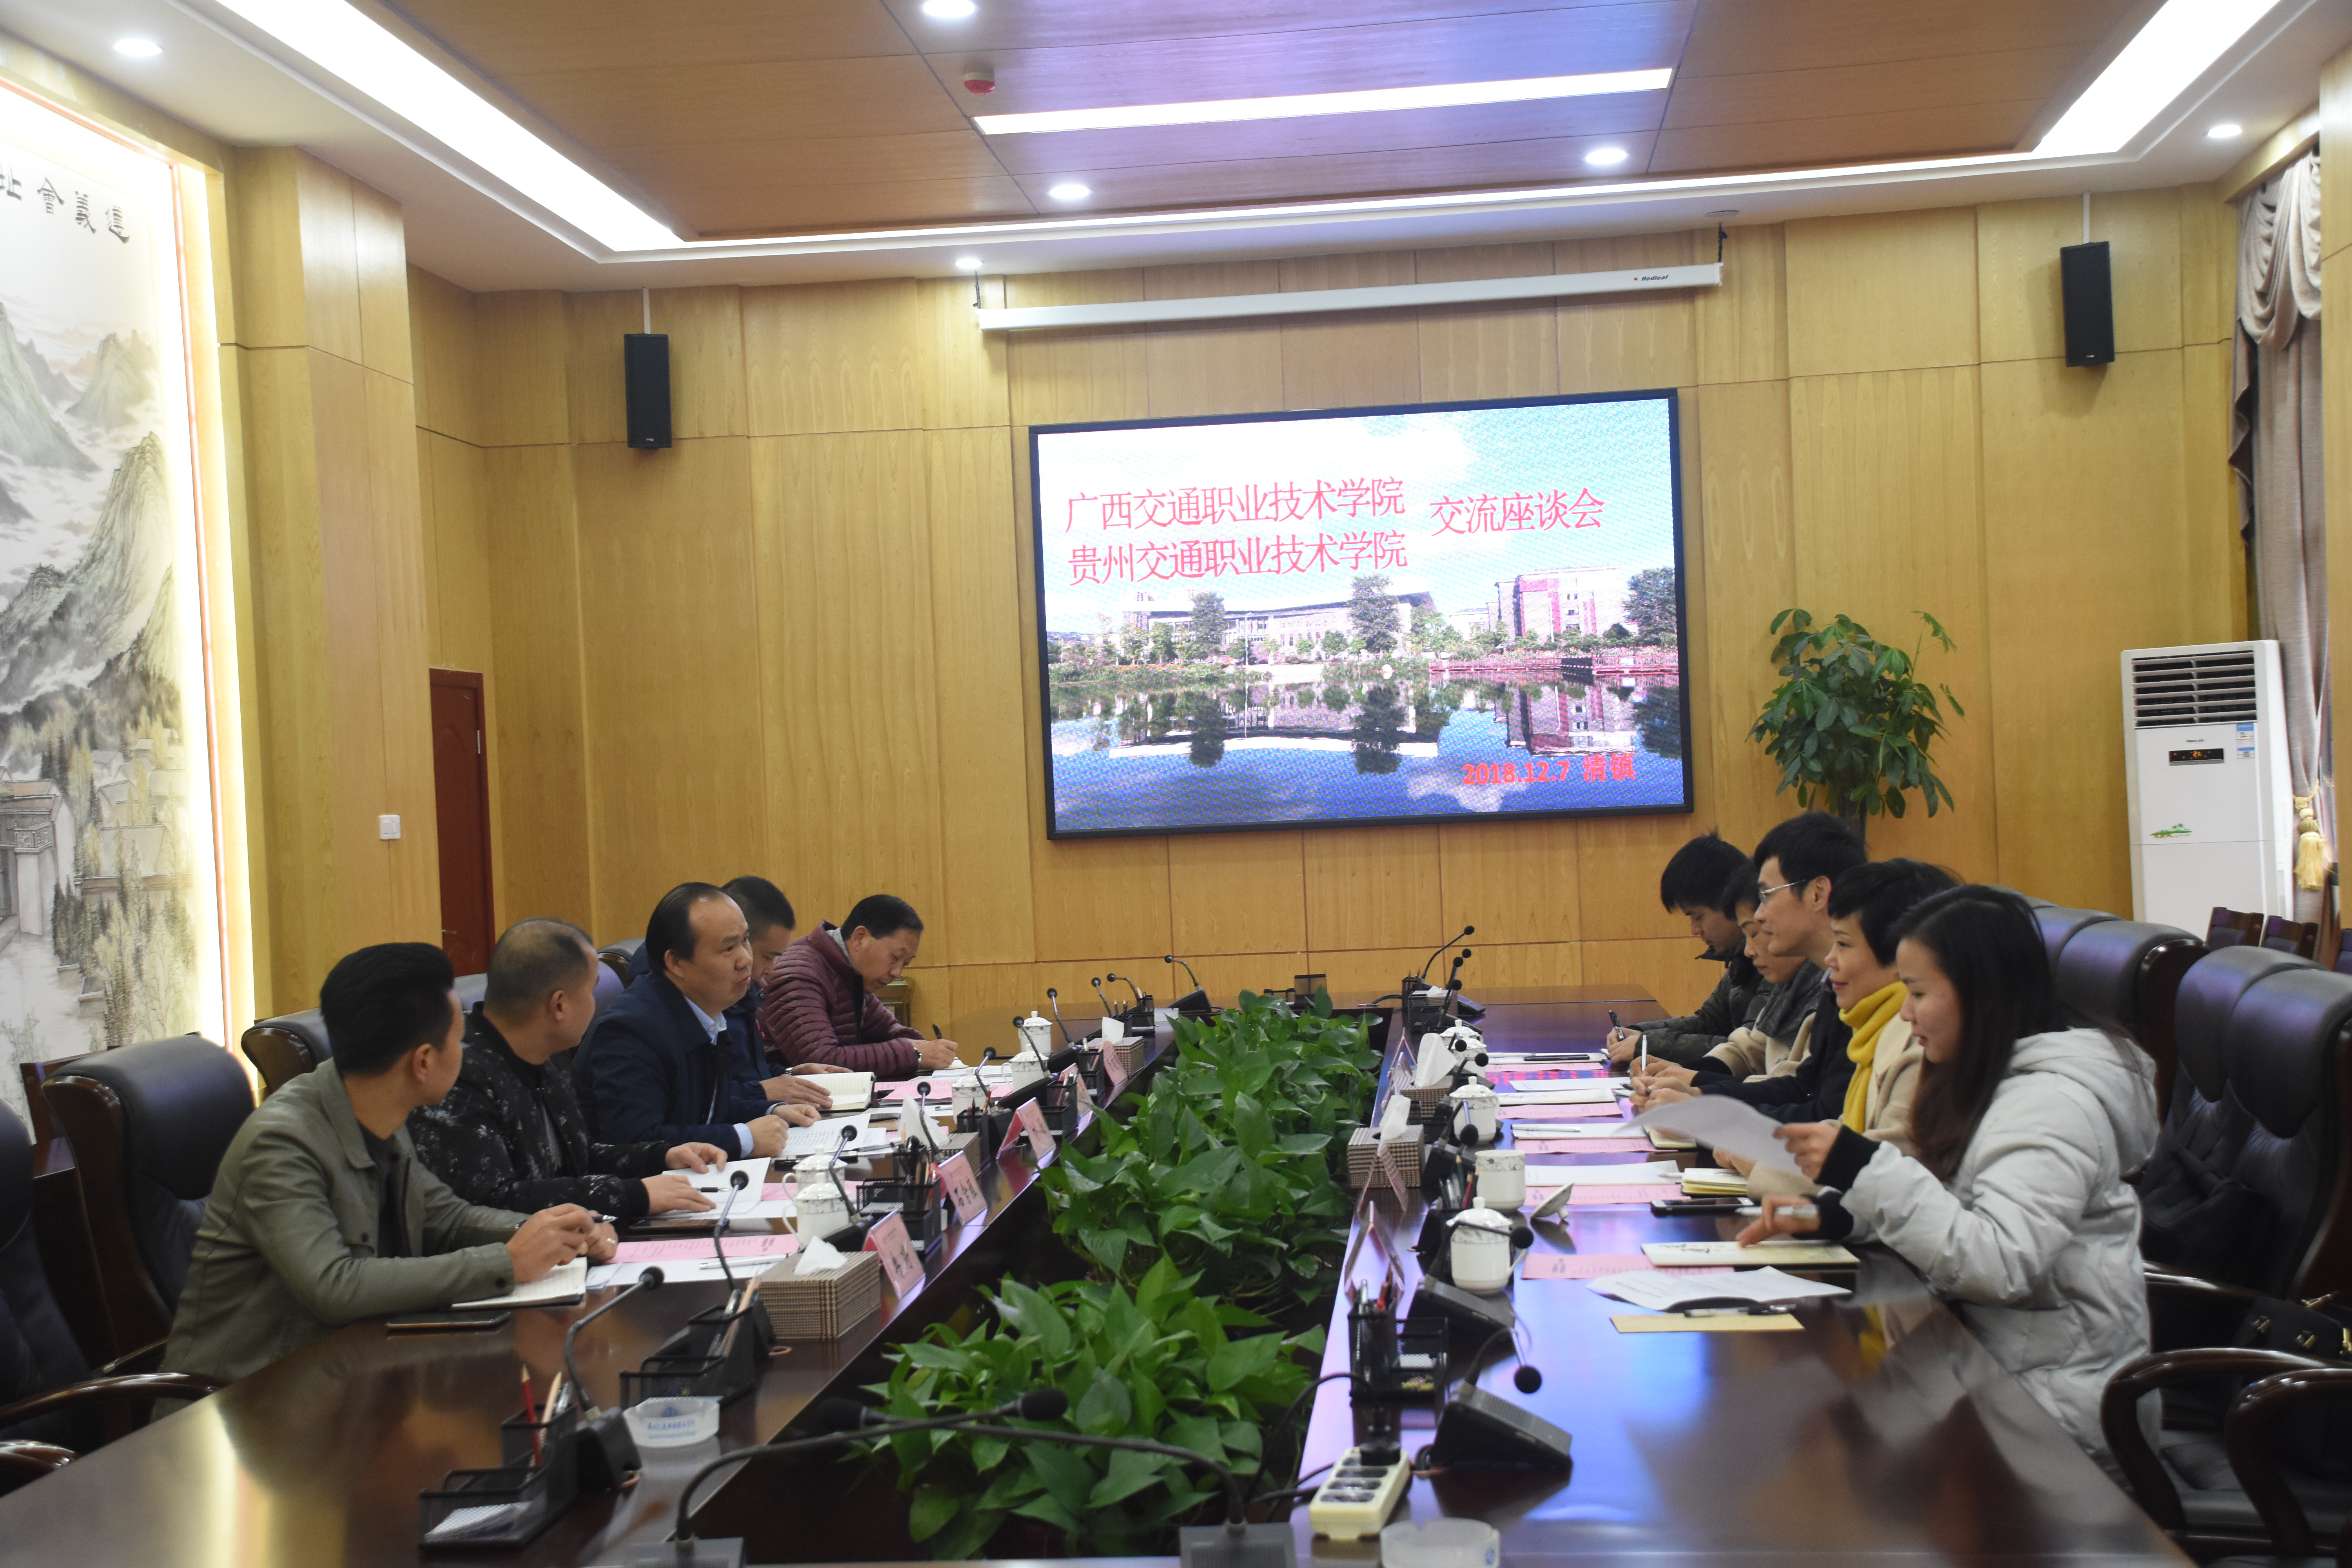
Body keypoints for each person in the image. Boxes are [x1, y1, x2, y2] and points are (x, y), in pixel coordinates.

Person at [1738, 886, 2159, 1468]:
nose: (1905, 1013)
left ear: (1981, 995)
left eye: (1917, 993)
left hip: (2057, 1412)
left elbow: (1999, 1265)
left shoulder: (2050, 1107)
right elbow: (1949, 1202)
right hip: (1986, 1370)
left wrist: (1863, 1167)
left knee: (1837, 1455)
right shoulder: (1983, 1076)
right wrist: (1835, 1215)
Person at [163, 944, 612, 1384]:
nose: (466, 1052)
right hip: (249, 1400)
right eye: (459, 1040)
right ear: (423, 1061)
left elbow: (446, 1217)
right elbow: (333, 1286)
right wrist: (506, 1262)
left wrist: (553, 1233)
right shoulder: (281, 1143)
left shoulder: (381, 1110)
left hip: (351, 1375)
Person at [411, 918, 737, 1222]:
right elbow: (491, 1201)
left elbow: (578, 1159)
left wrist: (660, 1157)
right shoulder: (459, 1076)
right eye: (591, 991)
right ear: (559, 1006)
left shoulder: (542, 1054)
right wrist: (631, 1195)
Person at [573, 884, 819, 1152]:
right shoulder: (630, 1031)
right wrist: (742, 1139)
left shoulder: (704, 1010)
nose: (746, 960)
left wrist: (771, 1110)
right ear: (677, 963)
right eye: (729, 949)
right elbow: (635, 1141)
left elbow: (706, 1106)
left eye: (745, 941)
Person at [1687, 812, 1866, 1123]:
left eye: (1767, 896)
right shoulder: (1832, 982)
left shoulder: (1860, 986)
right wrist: (1701, 1096)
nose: (1760, 914)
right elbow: (1803, 1088)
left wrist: (1711, 1111)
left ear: (1818, 893)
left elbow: (1825, 1114)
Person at [1637, 863, 1820, 1091]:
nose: (1749, 951)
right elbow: (1750, 1049)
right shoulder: (1790, 982)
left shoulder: (1825, 991)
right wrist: (1684, 1071)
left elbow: (1798, 1091)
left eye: (1757, 932)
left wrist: (1697, 1083)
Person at [763, 894, 961, 1076]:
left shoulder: (847, 972)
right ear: (860, 938)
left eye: (906, 964)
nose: (897, 973)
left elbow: (889, 1030)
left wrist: (923, 1047)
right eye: (895, 958)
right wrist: (915, 1053)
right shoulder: (799, 974)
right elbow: (824, 1061)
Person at [1606, 832, 1757, 1067]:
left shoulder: (1772, 958)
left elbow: (1749, 1050)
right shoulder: (1741, 956)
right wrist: (1640, 1033)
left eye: (1698, 916)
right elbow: (1709, 1022)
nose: (1695, 930)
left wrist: (1647, 1044)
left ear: (1731, 902)